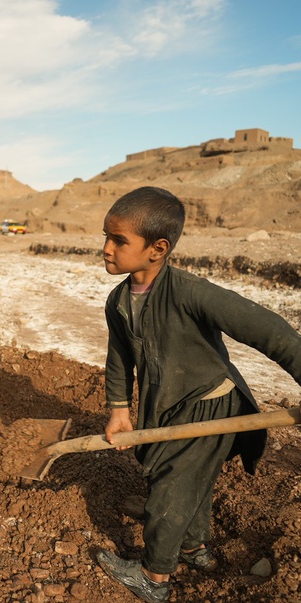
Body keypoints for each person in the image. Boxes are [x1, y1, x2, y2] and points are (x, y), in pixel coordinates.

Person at [95, 186, 301, 602]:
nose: (106, 249)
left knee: (171, 490)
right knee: (191, 483)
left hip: (210, 406)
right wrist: (119, 408)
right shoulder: (118, 300)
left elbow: (270, 331)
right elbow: (119, 359)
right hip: (167, 403)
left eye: (119, 240)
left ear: (158, 248)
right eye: (106, 236)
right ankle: (193, 547)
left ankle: (154, 579)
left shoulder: (191, 292)